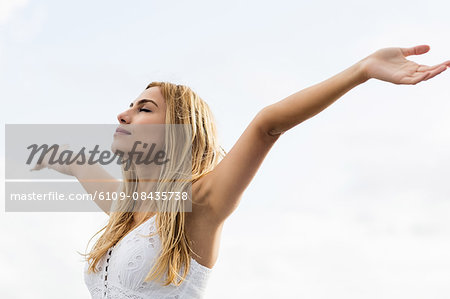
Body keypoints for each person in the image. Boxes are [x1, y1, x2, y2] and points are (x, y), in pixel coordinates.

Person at [32, 44, 450, 298]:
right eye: (130, 105)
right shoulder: (130, 211)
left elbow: (267, 123)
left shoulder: (197, 204)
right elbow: (81, 165)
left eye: (144, 108)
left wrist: (361, 70)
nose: (123, 114)